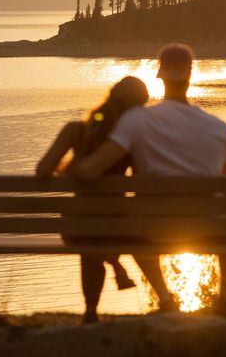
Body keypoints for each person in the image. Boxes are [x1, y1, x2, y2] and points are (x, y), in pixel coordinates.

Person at [69, 43, 226, 316]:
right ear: (190, 75)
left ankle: (165, 299)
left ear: (159, 76)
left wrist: (70, 158)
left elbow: (91, 169)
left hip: (151, 230)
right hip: (212, 230)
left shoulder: (137, 120)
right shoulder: (219, 127)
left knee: (133, 224)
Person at [36, 76, 149, 323]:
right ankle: (115, 264)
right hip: (118, 227)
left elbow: (42, 170)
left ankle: (90, 310)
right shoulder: (129, 140)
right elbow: (141, 181)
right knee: (109, 224)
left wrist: (66, 169)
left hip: (77, 226)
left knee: (89, 231)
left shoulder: (74, 130)